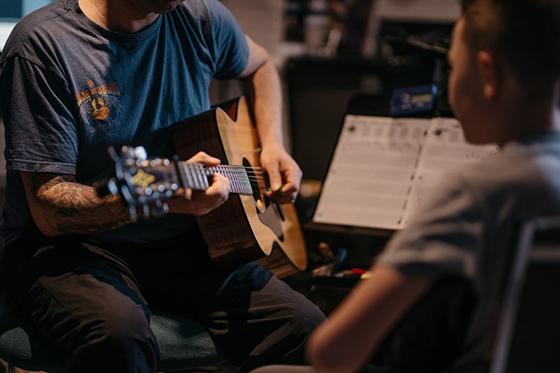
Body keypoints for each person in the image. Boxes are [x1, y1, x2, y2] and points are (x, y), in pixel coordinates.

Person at [0, 0, 325, 372]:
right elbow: (48, 212)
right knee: (118, 338)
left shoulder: (198, 16)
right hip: (67, 248)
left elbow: (261, 65)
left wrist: (272, 145)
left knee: (309, 332)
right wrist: (165, 200)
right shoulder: (42, 45)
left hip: (184, 243)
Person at [303, 0, 560, 372]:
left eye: (454, 67)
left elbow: (333, 353)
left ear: (488, 75)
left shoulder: (478, 192)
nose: (450, 81)